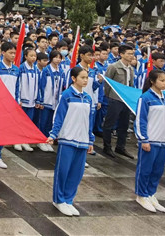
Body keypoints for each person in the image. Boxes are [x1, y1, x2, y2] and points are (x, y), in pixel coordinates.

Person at [48, 66, 95, 217]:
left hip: (82, 140)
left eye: (86, 78)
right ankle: (58, 200)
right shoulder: (67, 95)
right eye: (82, 77)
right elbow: (59, 116)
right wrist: (53, 134)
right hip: (68, 138)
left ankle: (68, 199)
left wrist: (90, 140)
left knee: (77, 172)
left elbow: (89, 121)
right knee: (63, 171)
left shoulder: (88, 98)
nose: (85, 80)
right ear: (73, 78)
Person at [134, 68, 165, 213]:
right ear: (152, 81)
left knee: (158, 170)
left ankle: (151, 193)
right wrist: (144, 139)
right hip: (150, 140)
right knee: (145, 169)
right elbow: (140, 120)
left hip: (163, 141)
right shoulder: (145, 98)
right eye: (162, 80)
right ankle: (141, 195)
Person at [102, 45, 135, 159]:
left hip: (126, 101)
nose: (131, 56)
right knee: (109, 124)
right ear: (121, 54)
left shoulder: (130, 69)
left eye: (132, 54)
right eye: (129, 54)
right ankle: (107, 146)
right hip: (115, 99)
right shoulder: (114, 67)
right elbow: (107, 84)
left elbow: (130, 85)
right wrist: (109, 96)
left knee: (124, 125)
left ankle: (121, 147)